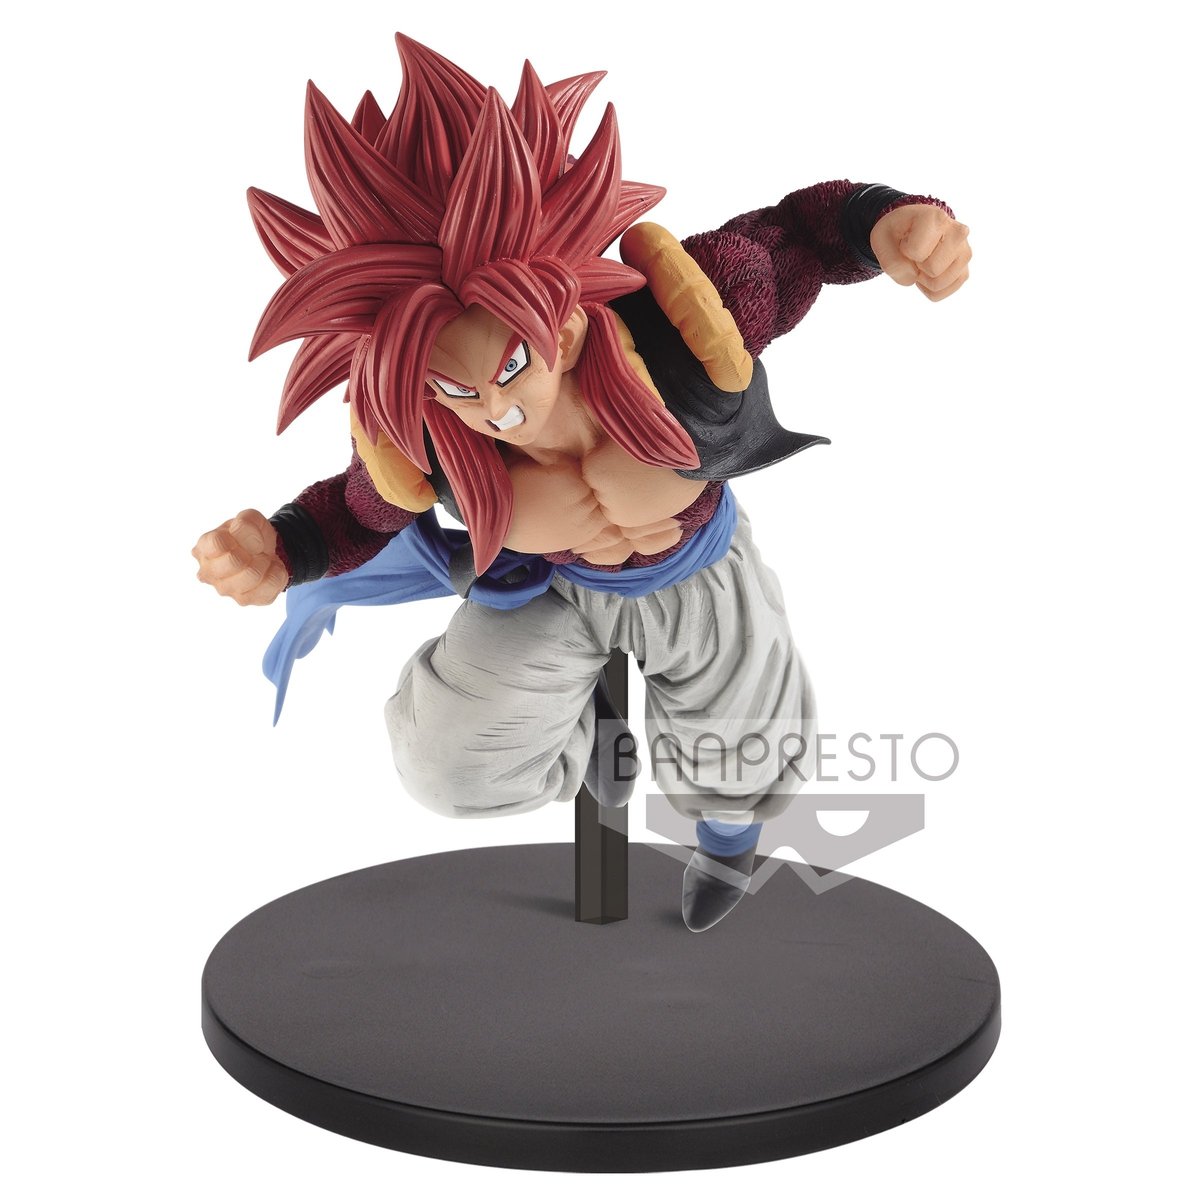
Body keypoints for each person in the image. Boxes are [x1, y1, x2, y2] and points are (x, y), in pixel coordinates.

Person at [193, 35, 971, 930]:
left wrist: (885, 222)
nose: (495, 411)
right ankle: (587, 743)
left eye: (508, 367)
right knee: (447, 762)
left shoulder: (683, 324)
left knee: (746, 754)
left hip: (698, 574)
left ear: (559, 328)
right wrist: (282, 549)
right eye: (456, 388)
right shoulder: (430, 435)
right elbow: (359, 511)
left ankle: (726, 847)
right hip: (545, 590)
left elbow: (796, 236)